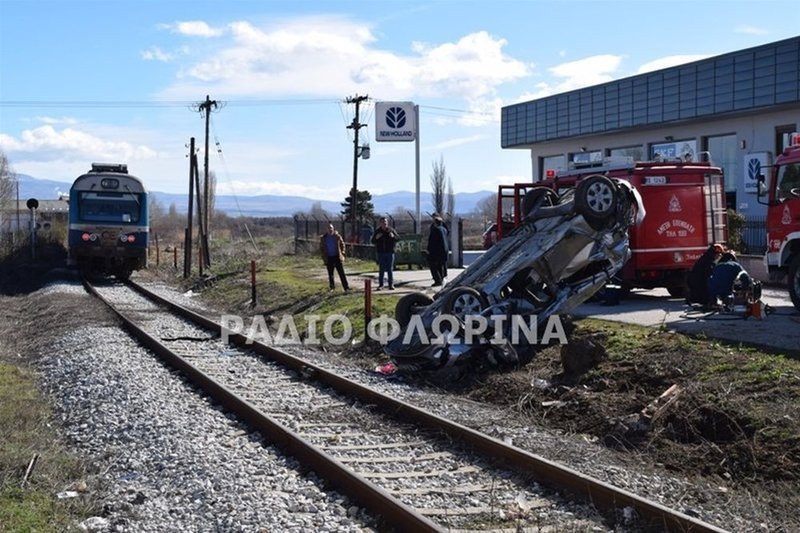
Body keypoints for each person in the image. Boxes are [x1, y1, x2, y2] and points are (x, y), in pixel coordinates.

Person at [371, 216, 399, 290]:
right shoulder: (377, 231)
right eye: (383, 222)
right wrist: (376, 237)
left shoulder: (391, 230)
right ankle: (381, 285)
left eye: (385, 222)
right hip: (381, 252)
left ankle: (391, 285)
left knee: (390, 269)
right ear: (380, 223)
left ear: (387, 223)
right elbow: (372, 241)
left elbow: (398, 238)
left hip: (390, 252)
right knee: (382, 269)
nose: (384, 223)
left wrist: (393, 237)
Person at [319, 223, 350, 292]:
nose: (330, 229)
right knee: (330, 274)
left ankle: (346, 287)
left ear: (333, 228)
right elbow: (321, 248)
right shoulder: (323, 238)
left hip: (337, 256)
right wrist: (323, 256)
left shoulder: (337, 236)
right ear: (326, 229)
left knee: (341, 273)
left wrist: (342, 252)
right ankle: (332, 287)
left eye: (331, 228)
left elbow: (342, 244)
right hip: (329, 257)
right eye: (328, 228)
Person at [426, 213, 449, 287]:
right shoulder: (444, 229)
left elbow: (432, 241)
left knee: (433, 266)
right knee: (440, 265)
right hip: (444, 250)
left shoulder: (435, 229)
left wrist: (428, 250)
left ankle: (438, 280)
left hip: (436, 251)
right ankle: (442, 278)